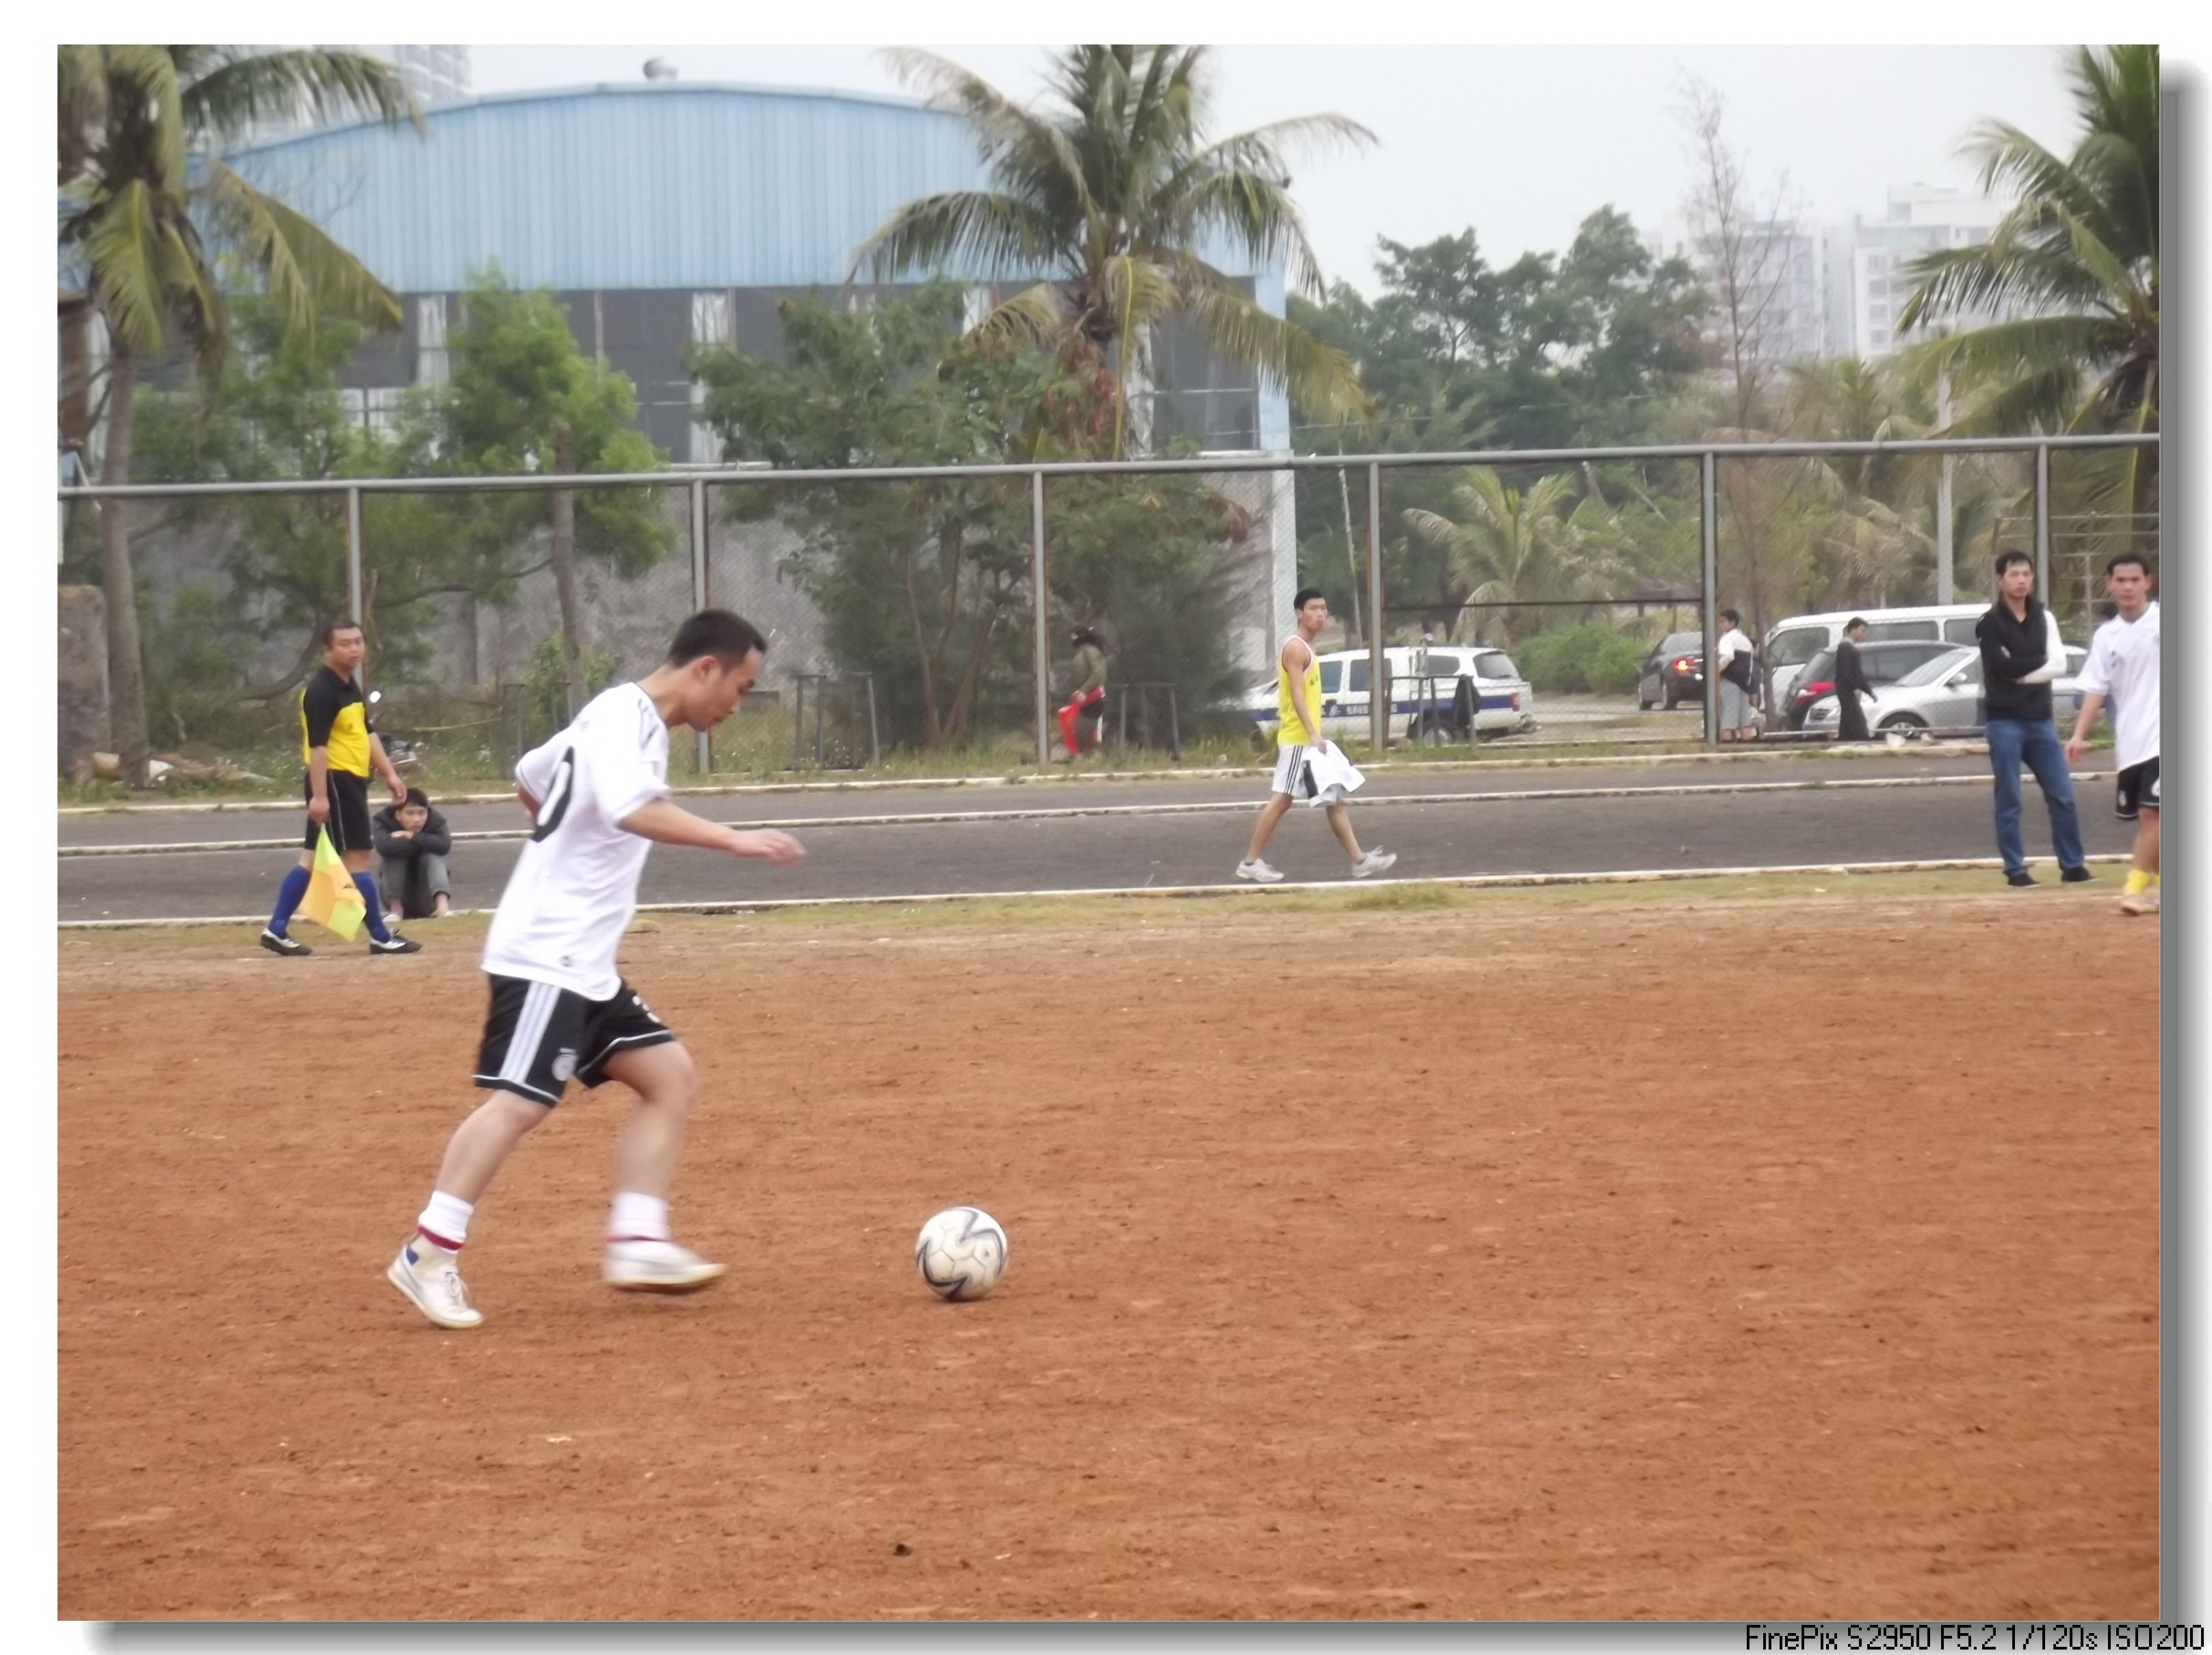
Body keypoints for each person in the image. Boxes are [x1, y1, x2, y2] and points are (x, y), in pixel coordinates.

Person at [386, 610, 805, 1329]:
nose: (737, 704)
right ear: (705, 668)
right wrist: (732, 839)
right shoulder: (622, 718)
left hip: (584, 961)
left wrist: (563, 840)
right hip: (547, 951)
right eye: (740, 687)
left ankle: (638, 1240)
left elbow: (531, 775)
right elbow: (631, 808)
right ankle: (429, 1250)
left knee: (668, 1075)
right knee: (520, 1102)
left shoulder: (620, 719)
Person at [259, 620, 422, 956]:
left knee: (310, 859)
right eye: (345, 643)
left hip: (349, 782)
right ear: (327, 650)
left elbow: (367, 733)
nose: (354, 649)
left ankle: (276, 929)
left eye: (358, 642)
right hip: (335, 782)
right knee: (358, 860)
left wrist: (390, 774)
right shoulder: (322, 691)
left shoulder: (349, 686)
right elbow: (317, 748)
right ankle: (380, 935)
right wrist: (320, 796)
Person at [1234, 588, 1396, 885]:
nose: (1320, 614)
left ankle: (1360, 861)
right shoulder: (1296, 648)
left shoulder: (1308, 648)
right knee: (1282, 800)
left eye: (1323, 608)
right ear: (1299, 613)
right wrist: (1311, 732)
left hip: (1309, 741)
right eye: (1313, 609)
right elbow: (1296, 693)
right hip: (1298, 741)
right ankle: (1250, 862)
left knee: (1333, 799)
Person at [1977, 550, 2090, 889]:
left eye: (2026, 574)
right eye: (2014, 574)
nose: (2022, 580)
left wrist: (2021, 671)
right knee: (2009, 798)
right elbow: (2001, 667)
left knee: (2063, 795)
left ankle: (2073, 866)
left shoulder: (2045, 617)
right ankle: (2015, 869)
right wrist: (2038, 661)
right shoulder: (1989, 623)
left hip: (2040, 720)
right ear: (2000, 580)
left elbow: (2058, 665)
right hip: (2004, 722)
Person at [2068, 553, 2159, 916]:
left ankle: (2133, 891)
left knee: (2153, 815)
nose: (2127, 587)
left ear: (2148, 583)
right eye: (2120, 580)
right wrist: (2079, 735)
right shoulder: (2107, 636)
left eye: (2134, 580)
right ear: (2109, 585)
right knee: (2148, 819)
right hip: (2132, 742)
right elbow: (2096, 688)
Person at [374, 787, 454, 922]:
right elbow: (383, 846)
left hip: (427, 897)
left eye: (422, 813)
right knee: (394, 854)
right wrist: (425, 842)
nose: (417, 819)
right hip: (395, 892)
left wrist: (412, 836)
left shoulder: (436, 820)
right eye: (410, 813)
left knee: (433, 855)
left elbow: (444, 846)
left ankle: (443, 909)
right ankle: (396, 911)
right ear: (398, 815)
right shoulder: (383, 820)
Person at [1056, 626, 1108, 759]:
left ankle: (1086, 752)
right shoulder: (1084, 652)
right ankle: (1077, 752)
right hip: (1084, 695)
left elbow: (1098, 673)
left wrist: (1084, 691)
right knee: (1066, 717)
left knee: (1083, 726)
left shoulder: (1090, 651)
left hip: (1092, 696)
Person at [1713, 610, 1758, 742]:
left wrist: (1717, 670)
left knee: (1727, 718)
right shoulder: (1744, 640)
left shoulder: (1727, 639)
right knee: (1744, 719)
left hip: (1729, 680)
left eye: (1723, 621)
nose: (1720, 624)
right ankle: (1746, 745)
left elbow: (1728, 656)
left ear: (1732, 623)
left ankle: (1727, 746)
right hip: (1744, 682)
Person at [1832, 616, 1874, 742]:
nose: (1864, 634)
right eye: (1862, 631)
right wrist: (1855, 688)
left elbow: (1857, 673)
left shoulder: (1849, 647)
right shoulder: (1846, 647)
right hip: (1846, 690)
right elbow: (1847, 671)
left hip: (1846, 689)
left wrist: (1867, 690)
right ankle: (1859, 741)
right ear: (1853, 630)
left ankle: (1844, 740)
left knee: (1848, 719)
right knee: (1858, 721)